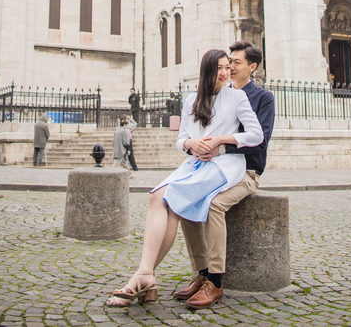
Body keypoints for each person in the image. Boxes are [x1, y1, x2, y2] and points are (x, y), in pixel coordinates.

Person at [105, 49, 263, 310]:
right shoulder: (192, 100)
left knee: (173, 200)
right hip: (196, 163)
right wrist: (192, 143)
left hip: (224, 164)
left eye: (228, 67)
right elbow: (181, 141)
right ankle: (146, 274)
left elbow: (256, 135)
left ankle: (143, 277)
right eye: (220, 68)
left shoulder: (237, 97)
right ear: (207, 72)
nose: (225, 73)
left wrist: (222, 140)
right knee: (157, 196)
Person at [176, 41, 275, 308]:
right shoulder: (220, 94)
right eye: (226, 62)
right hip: (217, 168)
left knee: (214, 204)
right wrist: (195, 145)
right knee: (186, 199)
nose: (229, 67)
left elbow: (260, 141)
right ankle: (202, 272)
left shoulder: (262, 98)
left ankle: (216, 281)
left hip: (247, 171)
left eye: (235, 62)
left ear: (252, 67)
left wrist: (220, 147)